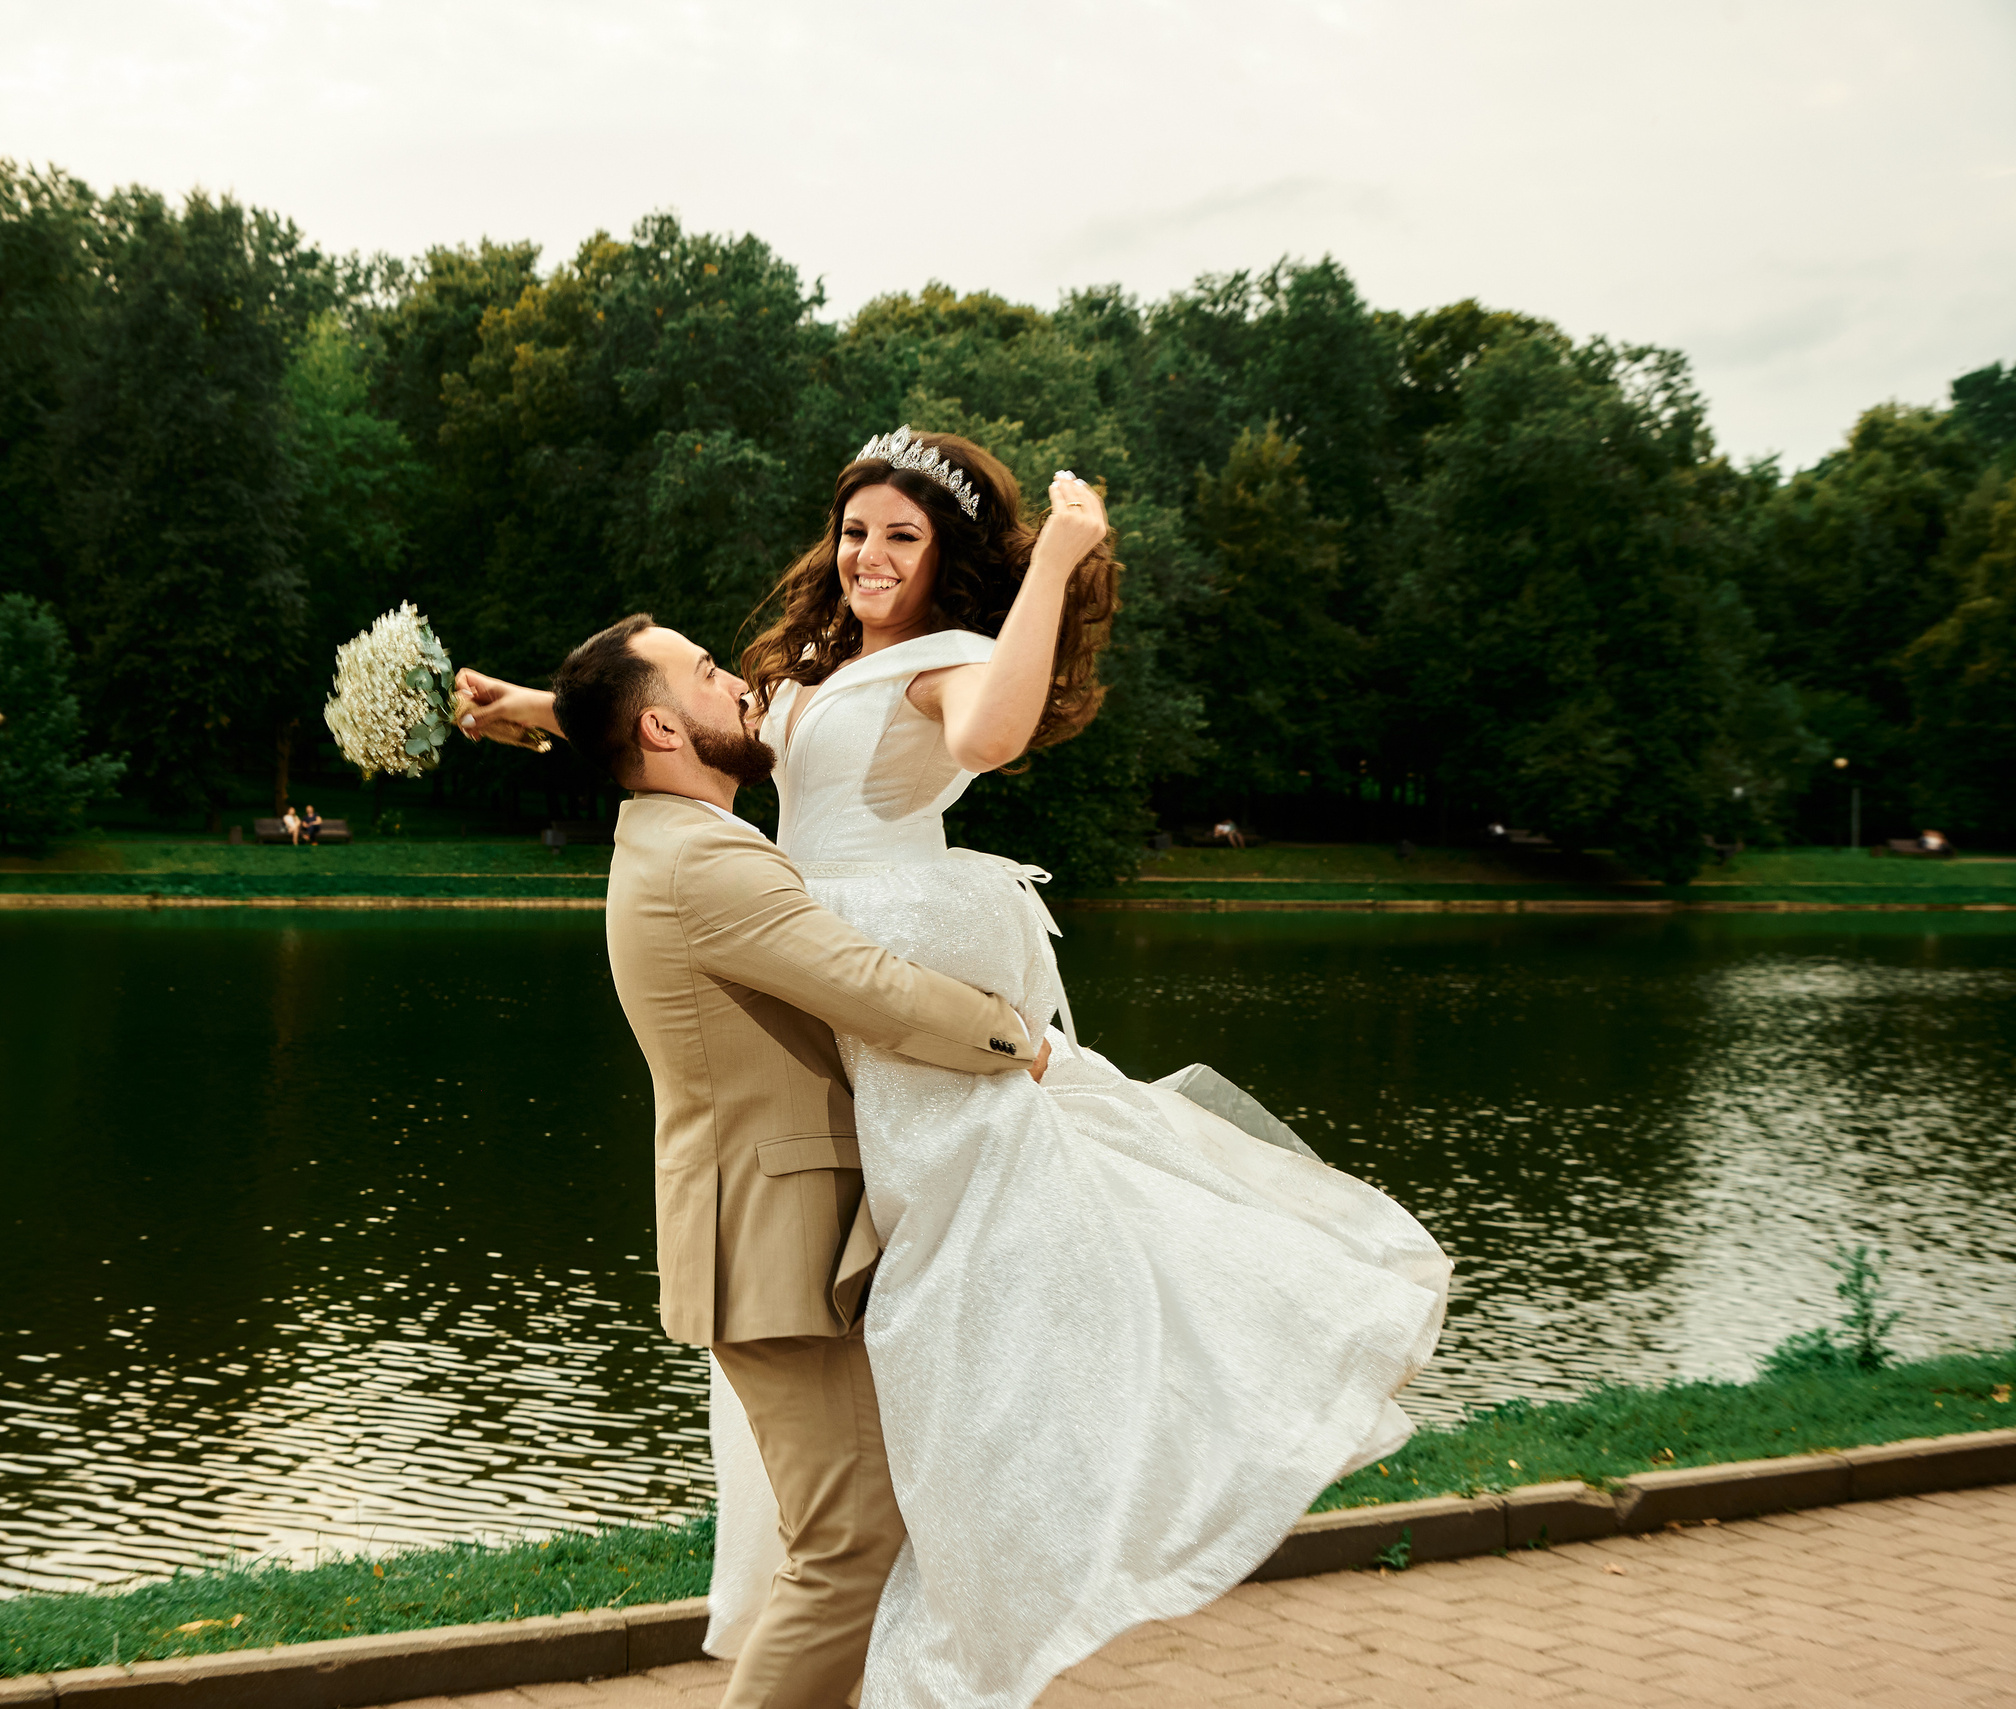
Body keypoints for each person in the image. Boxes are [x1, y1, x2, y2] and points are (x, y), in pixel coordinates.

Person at [462, 429, 1448, 1709]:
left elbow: (985, 736)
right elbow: (703, 725)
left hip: (884, 980)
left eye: (903, 537)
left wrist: (1067, 558)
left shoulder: (950, 661)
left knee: (953, 1345)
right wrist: (544, 713)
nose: (868, 556)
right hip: (830, 987)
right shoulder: (808, 677)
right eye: (855, 530)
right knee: (868, 1484)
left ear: (950, 561)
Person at [464, 621, 1049, 1709]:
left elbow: (619, 707)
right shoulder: (706, 859)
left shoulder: (669, 834)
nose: (740, 684)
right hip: (769, 1240)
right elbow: (868, 985)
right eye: (707, 675)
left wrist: (533, 706)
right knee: (847, 1543)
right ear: (660, 726)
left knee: (862, 1530)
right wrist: (1018, 1036)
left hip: (774, 1227)